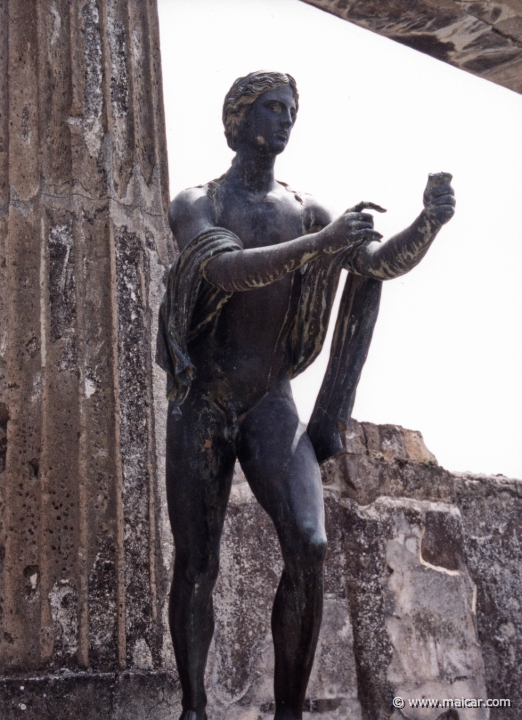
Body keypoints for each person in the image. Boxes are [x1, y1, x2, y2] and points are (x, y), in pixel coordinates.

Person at [156, 70, 455, 720]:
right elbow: (223, 270)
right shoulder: (198, 202)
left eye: (291, 108)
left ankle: (289, 714)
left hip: (271, 402)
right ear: (238, 117)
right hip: (203, 401)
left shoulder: (308, 208)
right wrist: (318, 245)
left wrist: (426, 225)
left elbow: (374, 265)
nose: (285, 118)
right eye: (272, 107)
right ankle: (194, 709)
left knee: (310, 544)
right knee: (198, 563)